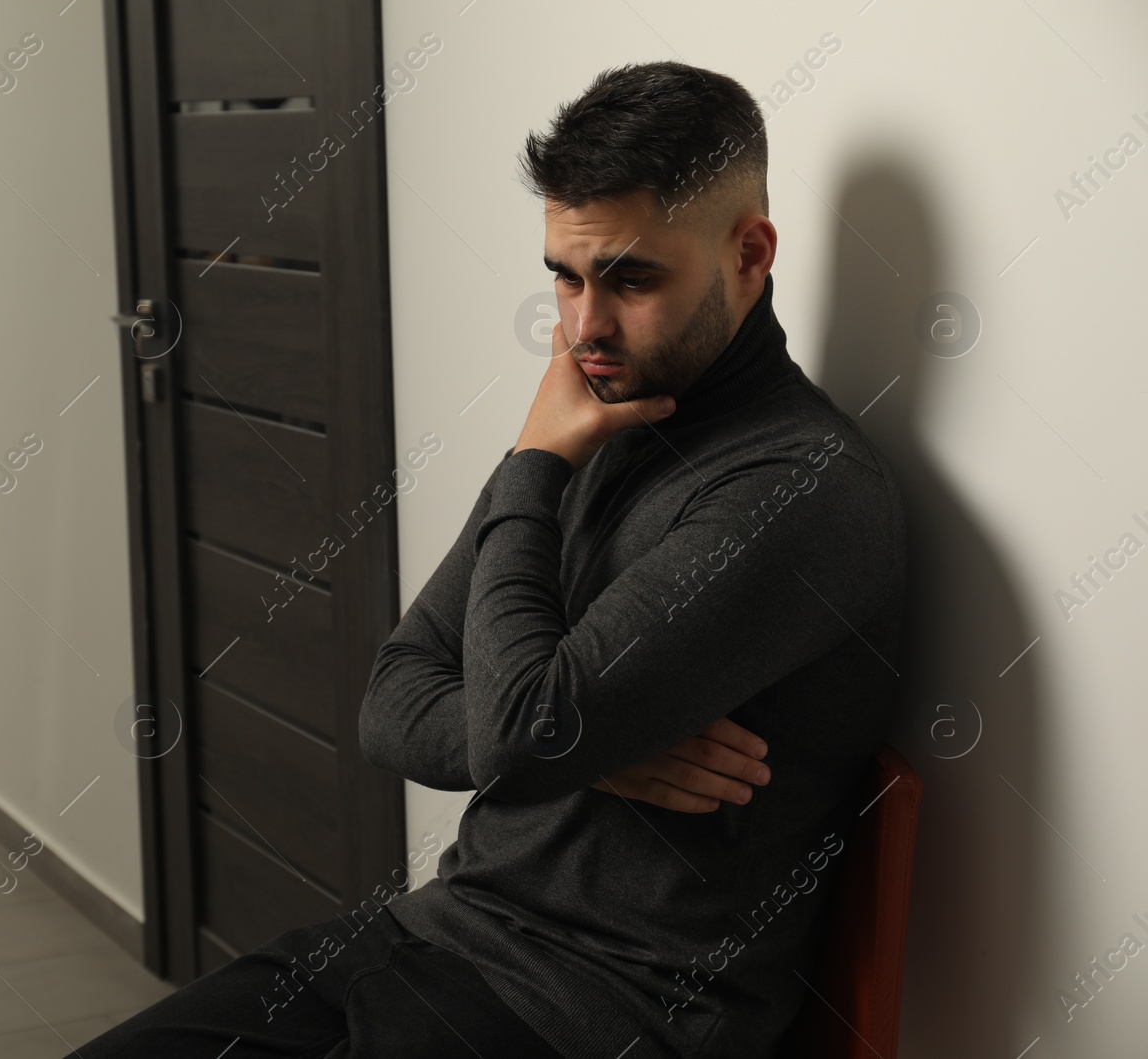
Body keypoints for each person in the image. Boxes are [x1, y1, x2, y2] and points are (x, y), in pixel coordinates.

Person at [69, 59, 906, 1059]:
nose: (584, 325)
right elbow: (392, 696)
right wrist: (591, 746)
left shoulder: (799, 488)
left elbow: (517, 733)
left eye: (631, 278)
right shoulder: (597, 417)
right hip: (433, 937)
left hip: (595, 1011)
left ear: (749, 253)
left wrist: (536, 468)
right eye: (564, 273)